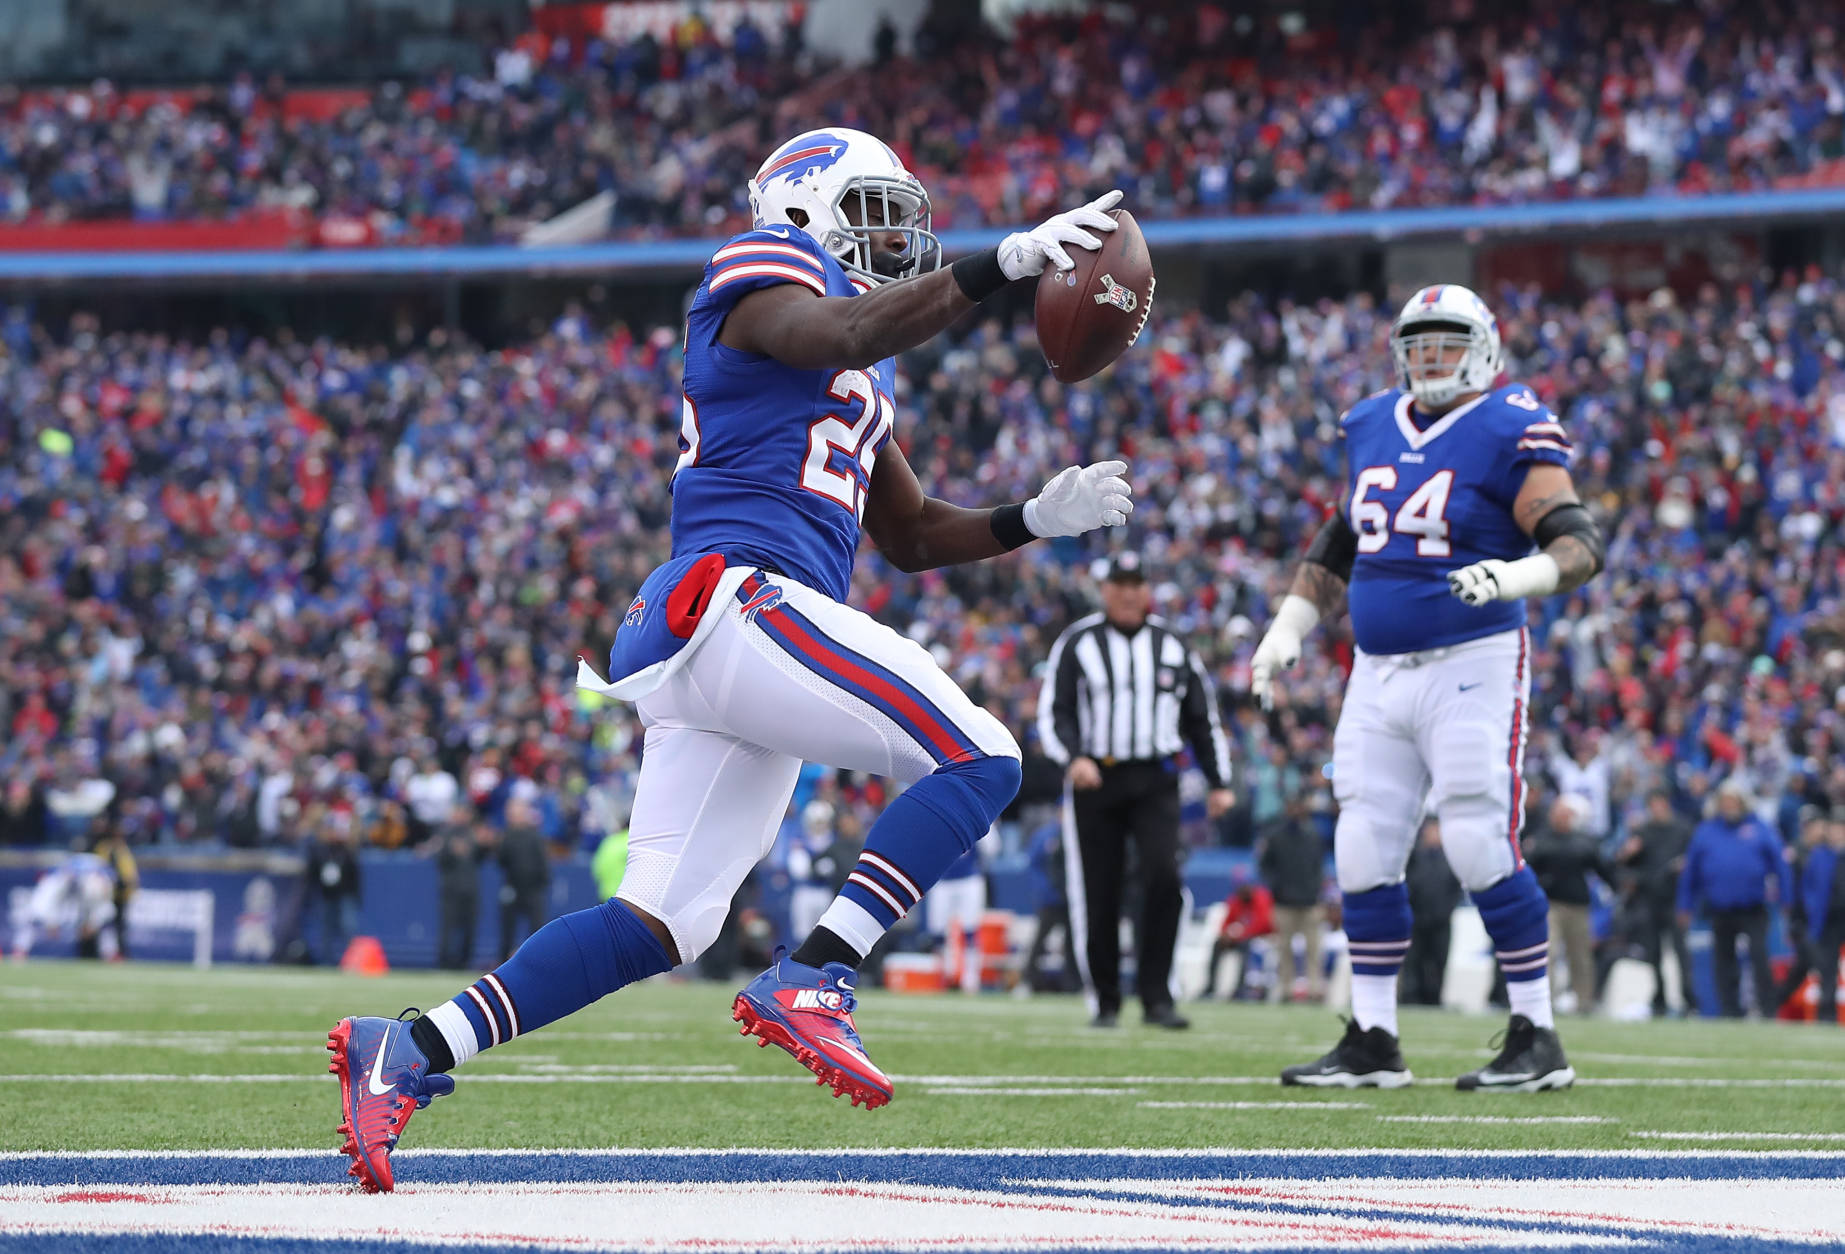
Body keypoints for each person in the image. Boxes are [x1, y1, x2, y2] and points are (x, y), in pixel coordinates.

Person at [328, 127, 1136, 1191]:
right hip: (740, 600)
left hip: (733, 640)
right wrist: (1002, 265)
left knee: (663, 923)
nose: (895, 234)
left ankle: (410, 1048)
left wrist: (1031, 517)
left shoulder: (860, 365)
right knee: (982, 756)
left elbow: (907, 535)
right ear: (801, 205)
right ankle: (820, 973)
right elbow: (841, 328)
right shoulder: (766, 267)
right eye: (872, 208)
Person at [1252, 282, 1605, 1091]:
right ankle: (1373, 1038)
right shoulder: (1372, 421)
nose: (1431, 357)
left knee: (1479, 840)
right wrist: (1289, 625)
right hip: (1376, 671)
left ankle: (1537, 1035)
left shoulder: (1509, 422)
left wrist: (1516, 576)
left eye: (1447, 342)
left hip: (1472, 660)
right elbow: (1344, 535)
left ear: (1482, 350)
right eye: (1418, 344)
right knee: (1362, 847)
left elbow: (1578, 541)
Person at [1038, 552, 1234, 1029]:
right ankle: (1105, 1000)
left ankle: (1158, 997)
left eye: (1136, 584)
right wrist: (1073, 757)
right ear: (1104, 590)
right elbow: (1055, 711)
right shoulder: (1078, 642)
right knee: (1098, 889)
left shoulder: (1173, 644)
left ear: (1147, 590)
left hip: (1155, 779)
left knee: (1164, 877)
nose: (1128, 593)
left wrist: (1218, 781)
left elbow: (1201, 718)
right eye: (1119, 584)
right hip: (1096, 778)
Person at [1677, 781, 1791, 1018]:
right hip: (1720, 907)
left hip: (1753, 906)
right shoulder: (1706, 831)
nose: (1729, 806)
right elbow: (1691, 872)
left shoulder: (1759, 827)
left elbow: (1781, 865)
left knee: (1759, 957)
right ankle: (1729, 1010)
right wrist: (1685, 905)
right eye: (1725, 801)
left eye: (1733, 801)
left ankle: (1768, 1009)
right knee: (1724, 960)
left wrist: (1786, 899)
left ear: (1742, 803)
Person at [1522, 794, 1615, 1016]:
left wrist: (1617, 884)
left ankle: (1584, 1002)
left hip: (1577, 905)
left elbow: (1602, 869)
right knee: (1549, 952)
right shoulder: (1541, 840)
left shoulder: (1584, 842)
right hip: (1549, 904)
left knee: (1580, 955)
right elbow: (1528, 870)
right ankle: (1546, 1000)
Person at [1619, 789, 1696, 1016]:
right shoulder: (1642, 831)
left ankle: (1688, 999)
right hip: (1649, 898)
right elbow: (1623, 866)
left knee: (1681, 951)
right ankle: (1659, 998)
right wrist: (1628, 854)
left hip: (1675, 898)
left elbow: (1694, 860)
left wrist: (1684, 866)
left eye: (1660, 803)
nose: (1657, 808)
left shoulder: (1682, 829)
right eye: (1653, 804)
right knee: (1653, 951)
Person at [1257, 791, 1328, 1003]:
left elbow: (1319, 866)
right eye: (1292, 806)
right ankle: (1286, 988)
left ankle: (1314, 988)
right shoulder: (1275, 837)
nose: (1295, 810)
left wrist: (1315, 889)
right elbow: (1265, 866)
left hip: (1310, 901)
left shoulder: (1313, 835)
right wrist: (1276, 887)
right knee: (1284, 948)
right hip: (1284, 902)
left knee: (1314, 949)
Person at [1403, 818, 1463, 1007]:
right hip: (1417, 918)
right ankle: (1410, 996)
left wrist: (1446, 910)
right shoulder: (1415, 856)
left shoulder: (1450, 858)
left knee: (1438, 960)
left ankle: (1434, 997)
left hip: (1441, 920)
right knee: (1414, 960)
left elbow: (1456, 888)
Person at [1202, 869, 1273, 1000]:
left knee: (1247, 947)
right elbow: (1226, 922)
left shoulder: (1261, 898)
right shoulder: (1235, 900)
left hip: (1259, 938)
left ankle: (1240, 989)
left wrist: (1240, 934)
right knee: (1217, 944)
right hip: (1239, 938)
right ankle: (1210, 987)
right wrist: (1226, 934)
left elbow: (1262, 924)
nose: (1243, 890)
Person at [496, 795, 551, 963]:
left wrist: (542, 881)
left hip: (532, 888)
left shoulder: (533, 835)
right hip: (513, 886)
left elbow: (542, 860)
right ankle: (504, 963)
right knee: (507, 928)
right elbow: (501, 860)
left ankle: (538, 960)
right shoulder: (507, 835)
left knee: (536, 927)